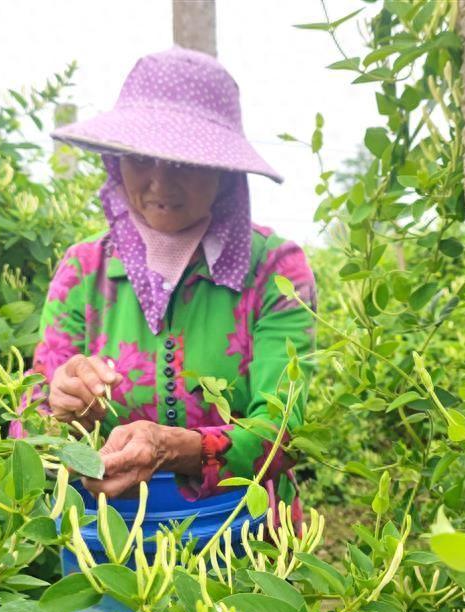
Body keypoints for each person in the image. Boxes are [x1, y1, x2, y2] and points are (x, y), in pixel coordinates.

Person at [23, 46, 316, 524]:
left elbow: (283, 430)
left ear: (224, 174)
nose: (160, 181)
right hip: (109, 538)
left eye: (185, 160)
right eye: (141, 158)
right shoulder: (83, 270)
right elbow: (29, 428)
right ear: (117, 162)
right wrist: (61, 408)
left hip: (246, 536)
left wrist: (175, 448)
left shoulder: (275, 271)